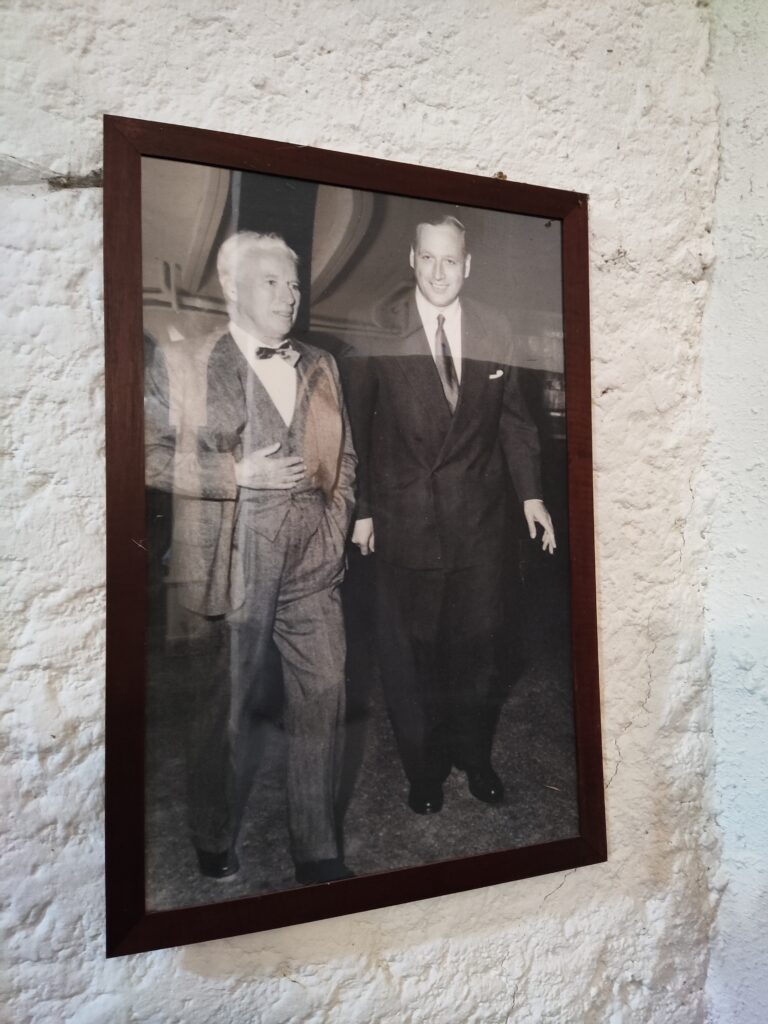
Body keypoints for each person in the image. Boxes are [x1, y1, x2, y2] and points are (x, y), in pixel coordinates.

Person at [149, 231, 356, 885]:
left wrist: (334, 531)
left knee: (325, 693)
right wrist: (235, 474)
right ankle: (213, 834)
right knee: (225, 709)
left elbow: (344, 457)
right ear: (230, 286)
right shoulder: (185, 359)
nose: (288, 296)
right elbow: (142, 453)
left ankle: (317, 849)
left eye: (293, 284)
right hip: (230, 563)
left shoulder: (321, 362)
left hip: (312, 562)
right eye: (271, 282)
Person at [345, 213, 555, 816]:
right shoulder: (380, 324)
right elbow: (357, 427)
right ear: (412, 259)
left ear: (468, 265)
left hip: (480, 524)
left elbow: (514, 421)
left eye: (451, 261)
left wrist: (531, 496)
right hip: (404, 518)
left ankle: (475, 755)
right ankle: (425, 768)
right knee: (412, 658)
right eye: (428, 259)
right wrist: (363, 509)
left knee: (479, 651)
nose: (439, 273)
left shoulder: (494, 327)